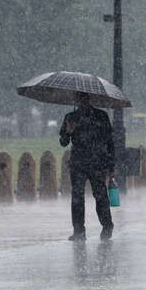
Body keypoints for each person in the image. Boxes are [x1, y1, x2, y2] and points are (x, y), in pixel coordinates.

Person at [59, 92, 115, 241]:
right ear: (76, 100)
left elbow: (110, 142)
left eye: (84, 99)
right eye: (79, 99)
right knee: (77, 196)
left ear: (88, 99)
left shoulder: (101, 116)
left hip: (97, 162)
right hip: (78, 163)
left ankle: (107, 226)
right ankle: (78, 231)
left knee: (100, 195)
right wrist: (68, 131)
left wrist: (111, 166)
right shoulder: (70, 118)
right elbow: (63, 142)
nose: (81, 102)